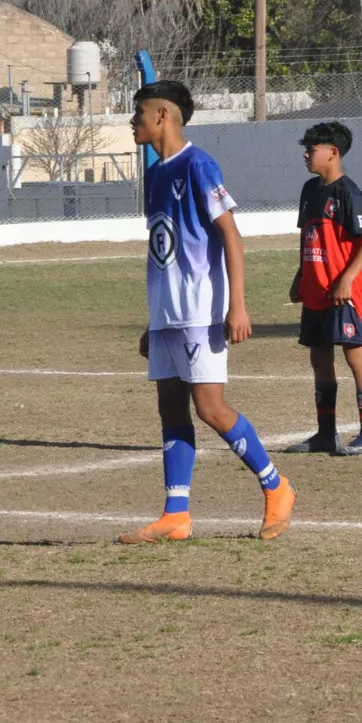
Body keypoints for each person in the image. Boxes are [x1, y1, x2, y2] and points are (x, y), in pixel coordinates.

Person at [119, 80, 296, 544]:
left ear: (162, 115)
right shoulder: (154, 175)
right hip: (166, 316)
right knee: (171, 411)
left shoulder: (199, 164)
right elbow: (163, 250)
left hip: (201, 312)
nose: (131, 122)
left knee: (210, 409)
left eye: (137, 113)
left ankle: (276, 486)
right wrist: (152, 320)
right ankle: (175, 514)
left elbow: (230, 236)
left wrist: (237, 305)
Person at [285, 122, 362, 456]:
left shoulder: (348, 193)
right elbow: (308, 237)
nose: (306, 154)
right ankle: (326, 434)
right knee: (319, 356)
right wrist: (300, 276)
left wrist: (347, 279)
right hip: (315, 289)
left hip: (342, 292)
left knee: (355, 354)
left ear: (333, 152)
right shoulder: (310, 191)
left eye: (312, 149)